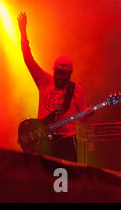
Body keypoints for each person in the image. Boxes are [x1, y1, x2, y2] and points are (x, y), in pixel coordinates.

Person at [18, 12, 90, 162]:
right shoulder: (44, 80)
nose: (60, 76)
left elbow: (83, 118)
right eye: (58, 72)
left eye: (64, 74)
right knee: (44, 178)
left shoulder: (77, 89)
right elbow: (28, 58)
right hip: (44, 139)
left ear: (70, 73)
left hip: (66, 140)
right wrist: (23, 32)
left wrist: (87, 114)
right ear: (53, 71)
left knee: (65, 179)